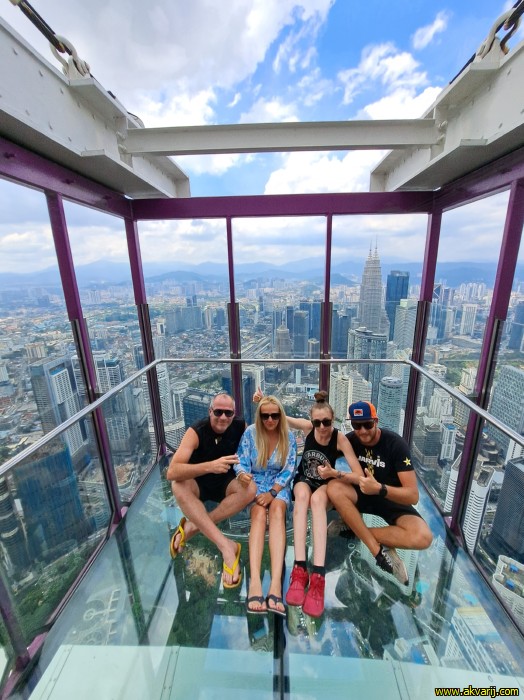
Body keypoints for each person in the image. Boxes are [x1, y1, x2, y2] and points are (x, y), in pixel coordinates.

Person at [327, 401, 433, 585]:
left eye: (367, 424)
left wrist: (380, 488)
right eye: (356, 425)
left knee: (423, 537)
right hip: (362, 495)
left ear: (376, 421)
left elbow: (413, 496)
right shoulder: (351, 440)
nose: (362, 431)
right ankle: (377, 546)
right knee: (334, 487)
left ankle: (354, 530)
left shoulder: (395, 445)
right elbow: (323, 449)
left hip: (391, 500)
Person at [282, 391, 364, 618]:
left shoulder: (340, 439)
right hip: (305, 480)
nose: (321, 427)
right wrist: (262, 401)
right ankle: (300, 569)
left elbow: (359, 475)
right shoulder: (309, 429)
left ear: (333, 419)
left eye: (326, 422)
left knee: (317, 500)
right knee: (301, 497)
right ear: (312, 421)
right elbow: (284, 417)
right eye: (317, 422)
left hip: (326, 485)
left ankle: (318, 575)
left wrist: (334, 474)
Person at [166, 392, 256, 589]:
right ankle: (227, 547)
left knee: (251, 489)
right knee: (177, 485)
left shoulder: (240, 426)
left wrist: (244, 472)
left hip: (226, 481)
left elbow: (252, 452)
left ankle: (194, 526)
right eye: (218, 412)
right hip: (198, 481)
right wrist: (210, 466)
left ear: (234, 414)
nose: (223, 417)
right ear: (210, 411)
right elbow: (172, 472)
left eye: (228, 413)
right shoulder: (196, 431)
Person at [234, 396, 297, 616]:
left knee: (277, 511)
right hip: (255, 483)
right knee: (258, 515)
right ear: (259, 416)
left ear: (281, 415)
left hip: (279, 485)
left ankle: (276, 584)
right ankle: (255, 582)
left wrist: (273, 493)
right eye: (265, 415)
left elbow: (289, 469)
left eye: (274, 415)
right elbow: (241, 461)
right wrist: (242, 475)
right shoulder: (250, 433)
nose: (270, 420)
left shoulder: (288, 437)